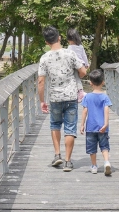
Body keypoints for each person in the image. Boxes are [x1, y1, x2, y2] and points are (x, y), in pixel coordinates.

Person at [38, 25, 87, 172]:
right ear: (59, 38)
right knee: (70, 128)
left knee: (55, 125)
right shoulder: (70, 54)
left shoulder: (44, 58)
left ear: (46, 42)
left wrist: (42, 101)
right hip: (71, 96)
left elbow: (41, 81)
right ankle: (67, 161)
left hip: (55, 97)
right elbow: (83, 72)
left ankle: (57, 154)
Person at [80, 69, 113, 176]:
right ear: (103, 82)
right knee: (104, 146)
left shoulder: (87, 97)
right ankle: (106, 162)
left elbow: (85, 111)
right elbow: (106, 110)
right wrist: (106, 124)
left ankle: (94, 166)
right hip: (102, 127)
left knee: (92, 148)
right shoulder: (105, 97)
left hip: (90, 127)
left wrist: (82, 125)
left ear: (90, 83)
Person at [66, 28, 89, 103]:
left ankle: (80, 92)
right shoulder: (80, 46)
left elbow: (68, 57)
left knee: (75, 78)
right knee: (77, 78)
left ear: (69, 39)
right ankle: (78, 92)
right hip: (81, 64)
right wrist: (86, 64)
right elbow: (84, 56)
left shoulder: (69, 47)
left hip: (74, 65)